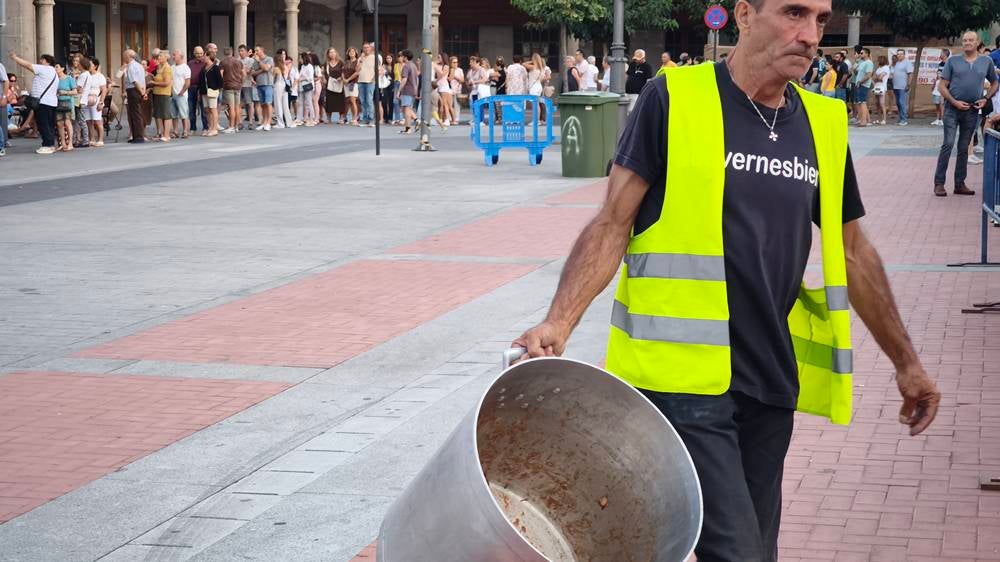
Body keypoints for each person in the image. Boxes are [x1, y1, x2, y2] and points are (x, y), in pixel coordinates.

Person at [510, 1, 941, 561]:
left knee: (757, 550)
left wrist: (907, 363)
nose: (809, 35)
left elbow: (855, 254)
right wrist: (559, 321)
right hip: (680, 380)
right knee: (734, 551)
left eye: (820, 21)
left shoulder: (824, 124)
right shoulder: (676, 98)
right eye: (793, 13)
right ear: (743, 14)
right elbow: (613, 221)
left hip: (769, 380)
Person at [933, 30, 998, 197]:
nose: (967, 42)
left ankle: (959, 183)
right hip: (951, 109)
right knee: (947, 144)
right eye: (964, 40)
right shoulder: (953, 61)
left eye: (971, 40)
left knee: (964, 148)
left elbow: (994, 82)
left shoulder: (986, 61)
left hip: (972, 111)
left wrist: (986, 98)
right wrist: (954, 102)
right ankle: (939, 183)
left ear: (977, 43)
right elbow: (942, 86)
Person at [10, 52, 58, 153]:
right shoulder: (53, 72)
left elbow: (28, 65)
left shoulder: (44, 69)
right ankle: (50, 144)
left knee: (43, 123)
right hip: (51, 102)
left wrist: (15, 58)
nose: (40, 62)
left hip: (43, 102)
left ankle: (47, 145)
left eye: (42, 60)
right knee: (49, 124)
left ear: (47, 61)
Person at [121, 49, 147, 143]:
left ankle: (139, 136)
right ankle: (136, 136)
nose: (123, 57)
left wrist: (142, 92)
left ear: (128, 56)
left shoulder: (131, 66)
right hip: (139, 90)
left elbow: (135, 81)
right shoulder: (139, 66)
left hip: (134, 90)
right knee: (135, 113)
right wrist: (143, 92)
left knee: (135, 113)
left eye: (124, 55)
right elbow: (142, 80)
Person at [148, 51, 173, 142]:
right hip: (157, 93)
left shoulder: (167, 68)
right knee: (159, 114)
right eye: (158, 56)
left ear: (166, 58)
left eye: (161, 56)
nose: (159, 57)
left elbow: (167, 83)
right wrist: (151, 76)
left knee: (166, 114)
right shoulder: (159, 67)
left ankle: (166, 135)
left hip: (164, 93)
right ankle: (162, 133)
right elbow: (158, 79)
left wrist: (154, 83)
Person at [219, 47, 243, 133]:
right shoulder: (238, 62)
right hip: (238, 86)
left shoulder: (223, 62)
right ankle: (236, 126)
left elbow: (221, 74)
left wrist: (221, 84)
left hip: (228, 86)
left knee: (231, 108)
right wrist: (241, 82)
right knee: (237, 107)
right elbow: (243, 73)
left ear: (224, 53)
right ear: (232, 52)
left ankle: (231, 126)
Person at [250, 46, 274, 131]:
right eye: (255, 50)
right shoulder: (255, 61)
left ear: (262, 50)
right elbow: (252, 73)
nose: (255, 52)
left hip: (268, 83)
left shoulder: (269, 59)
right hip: (259, 84)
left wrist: (260, 62)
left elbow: (267, 68)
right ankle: (264, 123)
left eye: (257, 50)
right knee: (263, 104)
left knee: (268, 103)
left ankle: (268, 122)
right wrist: (262, 70)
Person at [84, 58, 107, 147]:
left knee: (97, 121)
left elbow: (104, 90)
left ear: (95, 66)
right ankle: (92, 138)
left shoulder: (99, 76)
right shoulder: (86, 75)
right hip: (86, 99)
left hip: (96, 99)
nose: (89, 66)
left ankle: (100, 139)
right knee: (88, 121)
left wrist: (101, 102)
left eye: (90, 65)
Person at [200, 48, 222, 137]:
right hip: (204, 91)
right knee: (207, 110)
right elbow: (201, 81)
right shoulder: (203, 68)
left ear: (208, 56)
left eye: (204, 56)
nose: (203, 58)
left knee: (213, 109)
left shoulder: (215, 68)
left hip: (212, 91)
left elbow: (220, 81)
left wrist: (215, 89)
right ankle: (210, 127)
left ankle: (214, 128)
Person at [54, 62, 76, 151]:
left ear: (62, 68)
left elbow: (75, 91)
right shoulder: (55, 79)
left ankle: (70, 142)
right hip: (57, 102)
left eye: (57, 67)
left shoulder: (69, 78)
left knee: (67, 122)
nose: (55, 69)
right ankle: (63, 143)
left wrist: (65, 92)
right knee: (59, 123)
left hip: (67, 102)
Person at [170, 49, 191, 139]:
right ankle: (175, 131)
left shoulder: (185, 67)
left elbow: (187, 82)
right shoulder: (172, 67)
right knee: (173, 114)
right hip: (172, 93)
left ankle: (185, 131)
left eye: (175, 55)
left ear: (181, 56)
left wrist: (182, 92)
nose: (173, 56)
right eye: (173, 55)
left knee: (183, 114)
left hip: (181, 94)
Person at [396, 49, 418, 134]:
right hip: (412, 89)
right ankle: (415, 121)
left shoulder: (406, 66)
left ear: (405, 57)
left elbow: (404, 79)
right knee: (406, 108)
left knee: (407, 109)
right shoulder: (414, 65)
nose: (400, 57)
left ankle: (408, 128)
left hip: (407, 90)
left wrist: (399, 91)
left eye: (402, 56)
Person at [71, 55, 91, 147]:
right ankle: (81, 139)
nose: (78, 65)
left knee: (80, 121)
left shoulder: (83, 75)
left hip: (79, 100)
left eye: (79, 63)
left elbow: (78, 88)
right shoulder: (88, 75)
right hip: (83, 100)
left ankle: (85, 140)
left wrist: (74, 80)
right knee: (81, 120)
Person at [358, 42, 379, 127]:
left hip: (370, 82)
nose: (366, 49)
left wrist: (373, 79)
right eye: (364, 47)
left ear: (370, 49)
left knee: (369, 100)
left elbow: (378, 69)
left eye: (367, 47)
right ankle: (364, 118)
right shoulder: (360, 58)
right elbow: (357, 69)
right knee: (362, 101)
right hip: (361, 81)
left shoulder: (374, 57)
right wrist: (361, 60)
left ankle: (371, 119)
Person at [851, 48, 873, 127]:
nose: (860, 54)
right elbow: (856, 72)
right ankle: (861, 120)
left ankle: (864, 121)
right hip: (859, 84)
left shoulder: (869, 63)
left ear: (867, 54)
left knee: (863, 102)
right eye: (860, 53)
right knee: (859, 103)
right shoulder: (862, 63)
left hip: (863, 85)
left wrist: (861, 82)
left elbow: (869, 74)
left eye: (862, 53)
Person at [323, 48, 346, 124]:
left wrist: (341, 77)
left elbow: (344, 71)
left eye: (333, 52)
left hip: (339, 84)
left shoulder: (341, 62)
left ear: (336, 53)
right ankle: (329, 118)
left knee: (340, 101)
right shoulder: (326, 63)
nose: (332, 54)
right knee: (329, 101)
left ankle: (341, 118)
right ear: (328, 54)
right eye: (330, 52)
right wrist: (323, 79)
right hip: (329, 84)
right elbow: (323, 72)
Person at [891, 48, 913, 125]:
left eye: (901, 54)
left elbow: (910, 74)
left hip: (903, 87)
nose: (899, 55)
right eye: (898, 54)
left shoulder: (907, 63)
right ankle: (900, 119)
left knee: (902, 102)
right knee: (898, 103)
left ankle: (904, 120)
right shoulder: (897, 63)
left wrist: (908, 84)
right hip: (896, 86)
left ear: (904, 55)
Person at [188, 46, 207, 132]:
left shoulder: (206, 63)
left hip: (202, 89)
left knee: (204, 109)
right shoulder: (190, 63)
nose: (199, 55)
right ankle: (192, 128)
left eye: (201, 53)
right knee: (191, 109)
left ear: (203, 53)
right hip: (191, 88)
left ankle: (205, 127)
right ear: (194, 53)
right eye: (197, 53)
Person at [238, 45, 257, 130]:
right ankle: (240, 122)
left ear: (246, 51)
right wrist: (244, 70)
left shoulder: (251, 60)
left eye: (242, 50)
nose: (240, 52)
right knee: (239, 104)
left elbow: (250, 71)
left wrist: (244, 71)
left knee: (249, 103)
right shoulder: (237, 60)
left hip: (247, 84)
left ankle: (250, 122)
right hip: (238, 84)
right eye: (239, 51)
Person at [297, 52, 316, 126]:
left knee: (309, 103)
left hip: (308, 86)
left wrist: (302, 78)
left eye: (300, 58)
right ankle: (299, 119)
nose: (299, 60)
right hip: (302, 87)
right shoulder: (302, 66)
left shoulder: (310, 66)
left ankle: (312, 119)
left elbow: (310, 78)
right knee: (300, 103)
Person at [343, 47, 361, 126]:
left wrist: (348, 79)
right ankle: (352, 117)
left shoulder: (358, 61)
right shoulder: (346, 62)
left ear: (356, 53)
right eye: (350, 51)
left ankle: (355, 118)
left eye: (353, 51)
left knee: (353, 100)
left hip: (353, 83)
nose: (351, 53)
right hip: (346, 83)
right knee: (349, 101)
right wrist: (344, 79)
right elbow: (342, 71)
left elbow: (357, 73)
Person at [872, 55, 890, 125]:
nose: (879, 61)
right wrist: (876, 78)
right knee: (877, 103)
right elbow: (875, 77)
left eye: (880, 60)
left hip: (882, 87)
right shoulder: (879, 68)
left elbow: (879, 78)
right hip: (876, 86)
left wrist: (876, 78)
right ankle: (878, 119)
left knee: (882, 103)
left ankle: (884, 119)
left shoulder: (886, 68)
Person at [448, 56, 464, 125]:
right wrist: (452, 71)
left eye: (456, 62)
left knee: (457, 105)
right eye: (454, 62)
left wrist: (455, 77)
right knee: (449, 105)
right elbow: (450, 79)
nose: (455, 64)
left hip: (457, 89)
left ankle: (456, 119)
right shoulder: (449, 69)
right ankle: (450, 118)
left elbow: (462, 80)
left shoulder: (460, 70)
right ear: (450, 63)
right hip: (450, 89)